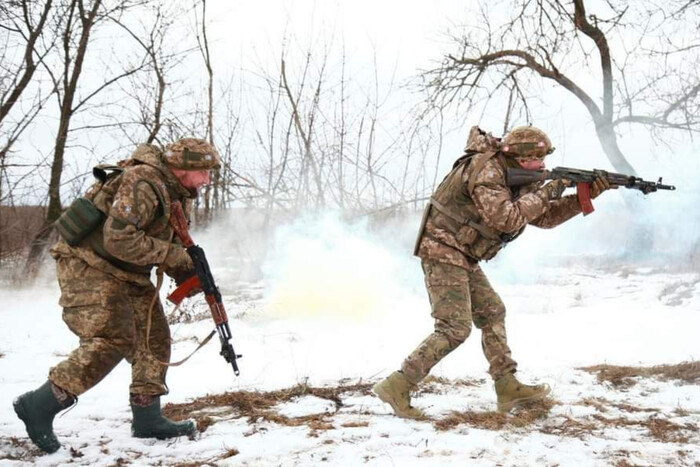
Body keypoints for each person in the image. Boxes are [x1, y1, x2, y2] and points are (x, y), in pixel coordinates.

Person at [373, 126, 613, 418]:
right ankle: (397, 384)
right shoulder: (487, 171)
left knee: (492, 312)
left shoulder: (513, 174)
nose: (543, 165)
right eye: (538, 159)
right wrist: (552, 188)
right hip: (443, 249)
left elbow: (544, 216)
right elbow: (506, 218)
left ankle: (506, 385)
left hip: (462, 253)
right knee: (454, 328)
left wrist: (582, 199)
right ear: (523, 158)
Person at [13, 138, 220, 453]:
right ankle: (40, 405)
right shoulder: (143, 182)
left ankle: (147, 417)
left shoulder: (177, 192)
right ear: (184, 168)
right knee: (113, 338)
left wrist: (188, 273)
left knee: (154, 337)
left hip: (127, 271)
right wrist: (176, 257)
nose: (207, 179)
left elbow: (161, 241)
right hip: (88, 263)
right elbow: (119, 240)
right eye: (204, 172)